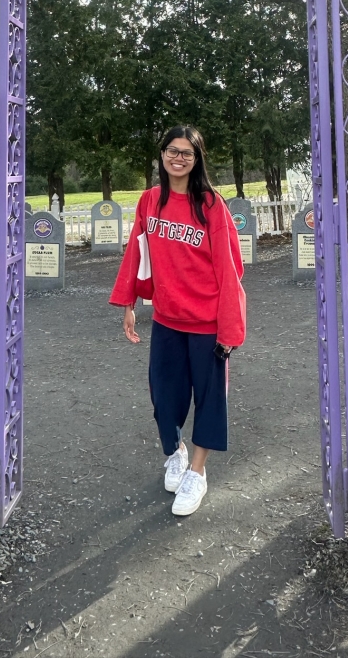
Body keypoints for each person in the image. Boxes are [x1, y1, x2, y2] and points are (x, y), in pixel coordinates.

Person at [109, 125, 246, 516]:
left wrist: (230, 328)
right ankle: (176, 451)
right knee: (164, 398)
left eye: (187, 152)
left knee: (209, 401)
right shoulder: (150, 201)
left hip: (207, 323)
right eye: (172, 150)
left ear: (197, 158)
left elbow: (229, 269)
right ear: (162, 155)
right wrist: (129, 302)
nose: (178, 157)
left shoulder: (211, 205)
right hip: (168, 319)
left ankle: (198, 474)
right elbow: (137, 253)